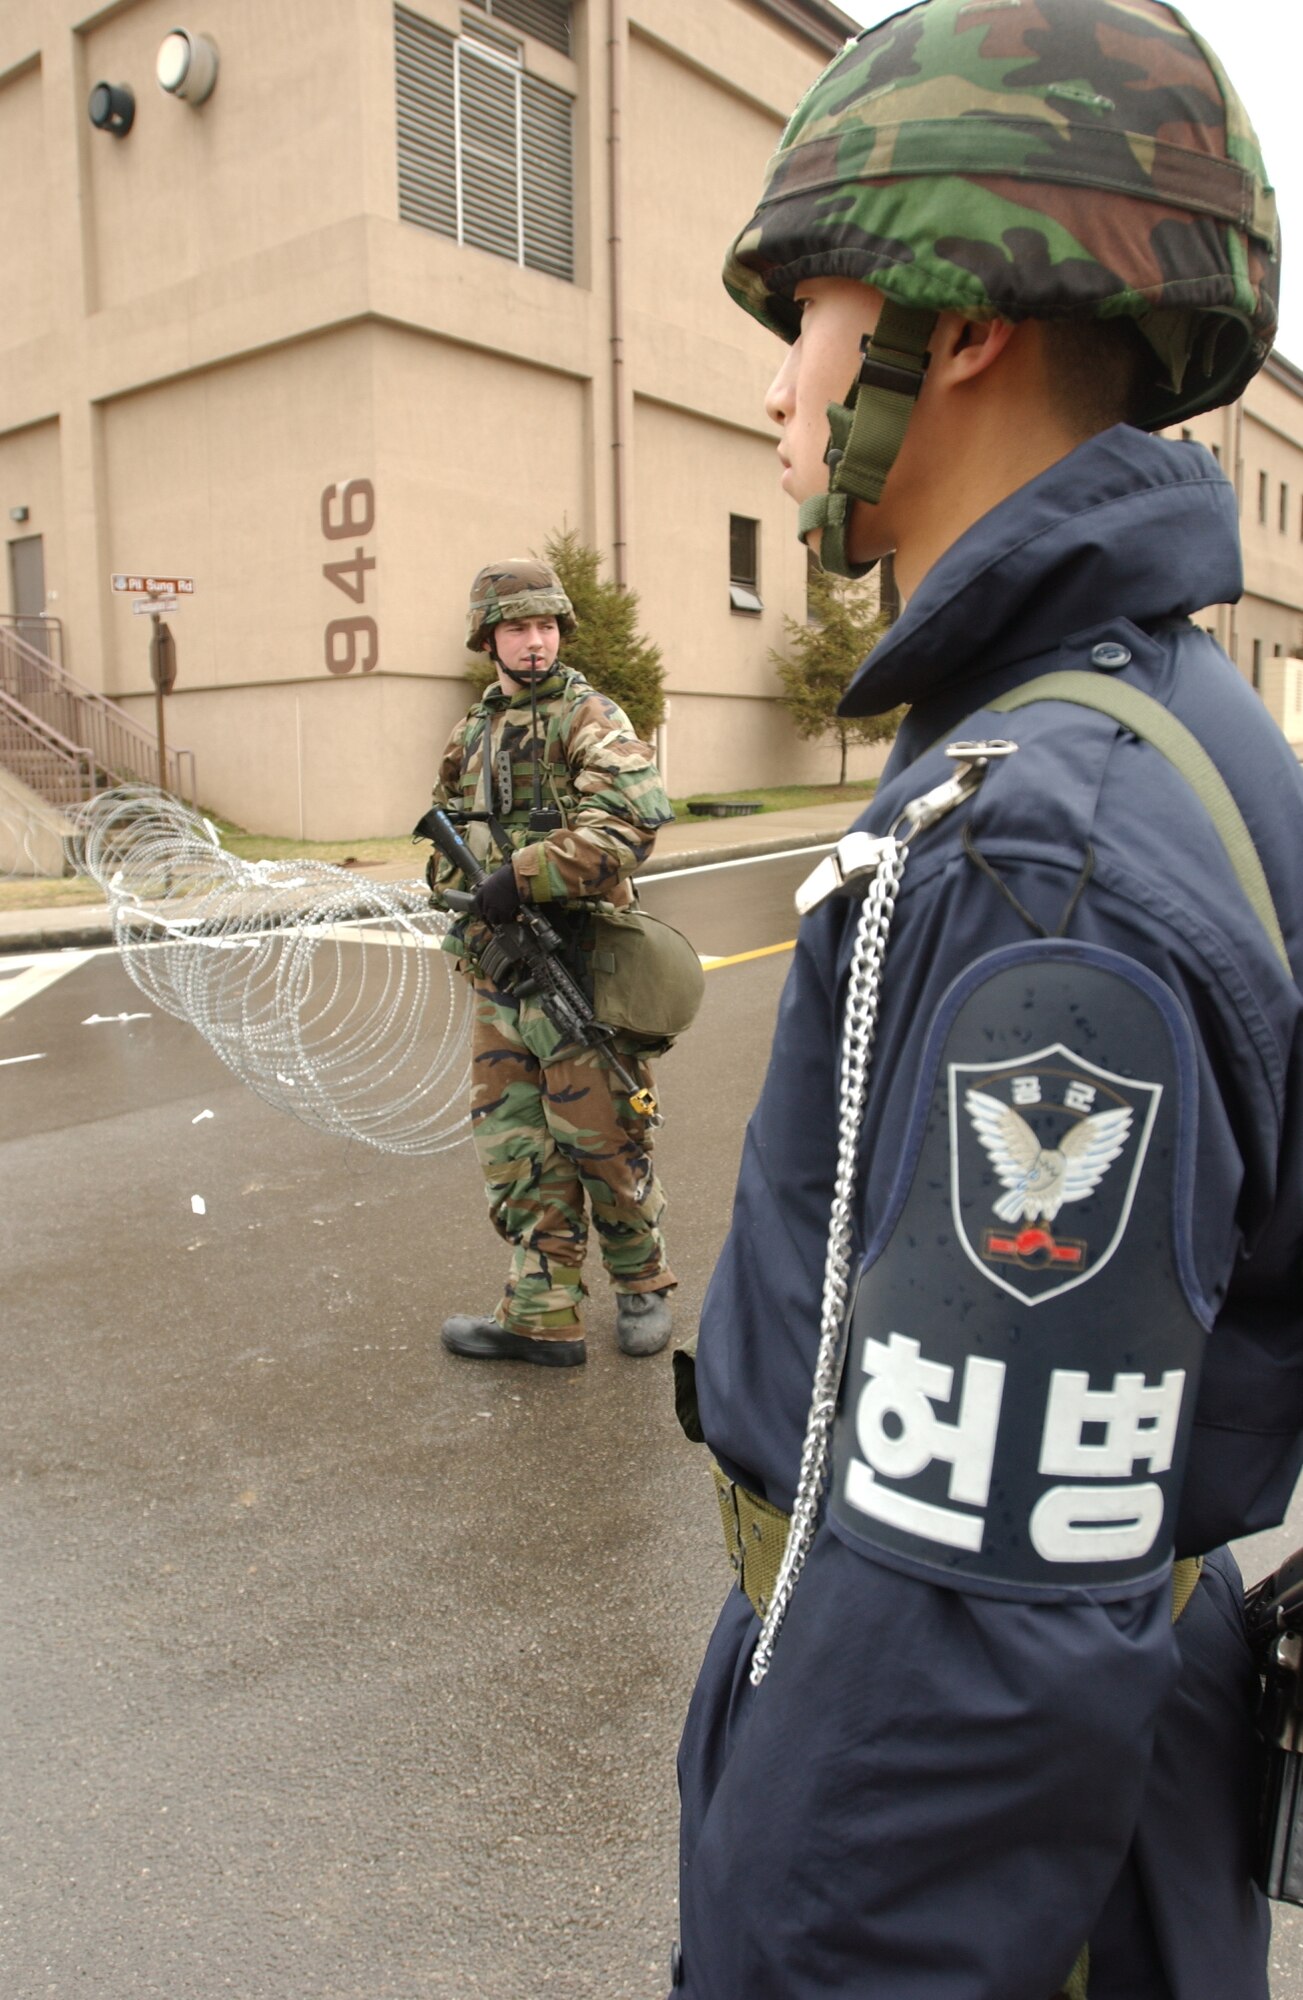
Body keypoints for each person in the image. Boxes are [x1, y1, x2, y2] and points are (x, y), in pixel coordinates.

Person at [672, 3, 1303, 1995]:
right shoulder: (1144, 726)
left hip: (1001, 1871)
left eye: (810, 318)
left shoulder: (1054, 849)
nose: (778, 391)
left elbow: (965, 1658)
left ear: (956, 326)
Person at [428, 558, 678, 1367]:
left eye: (544, 627)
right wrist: (465, 898)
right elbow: (445, 843)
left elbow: (632, 820)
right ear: (488, 639)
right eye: (515, 628)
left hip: (583, 965)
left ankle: (641, 1283)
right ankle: (541, 1314)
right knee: (514, 1148)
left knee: (604, 1139)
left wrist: (523, 875)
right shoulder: (470, 734)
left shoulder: (590, 717)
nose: (533, 642)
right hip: (502, 975)